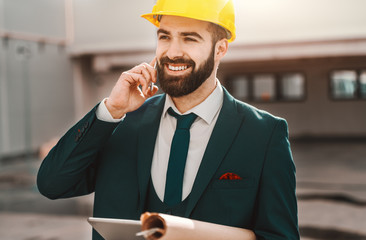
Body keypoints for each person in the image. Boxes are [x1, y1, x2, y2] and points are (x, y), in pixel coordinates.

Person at [37, 0, 299, 239]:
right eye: (165, 37)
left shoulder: (264, 134)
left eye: (189, 39)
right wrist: (110, 110)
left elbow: (280, 235)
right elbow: (52, 184)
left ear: (220, 49)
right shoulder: (121, 122)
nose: (173, 52)